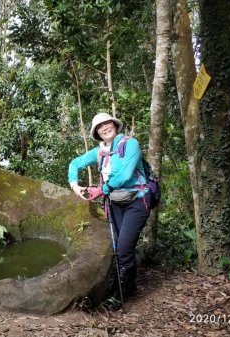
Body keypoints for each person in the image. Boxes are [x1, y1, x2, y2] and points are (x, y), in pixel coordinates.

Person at [68, 112, 151, 299]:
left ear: (114, 125)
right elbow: (74, 163)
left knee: (123, 247)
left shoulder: (131, 144)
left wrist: (101, 189)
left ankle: (122, 294)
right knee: (120, 247)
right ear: (97, 133)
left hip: (137, 201)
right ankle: (130, 286)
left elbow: (125, 174)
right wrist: (75, 185)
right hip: (114, 203)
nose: (104, 127)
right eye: (99, 126)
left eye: (107, 123)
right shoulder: (98, 152)